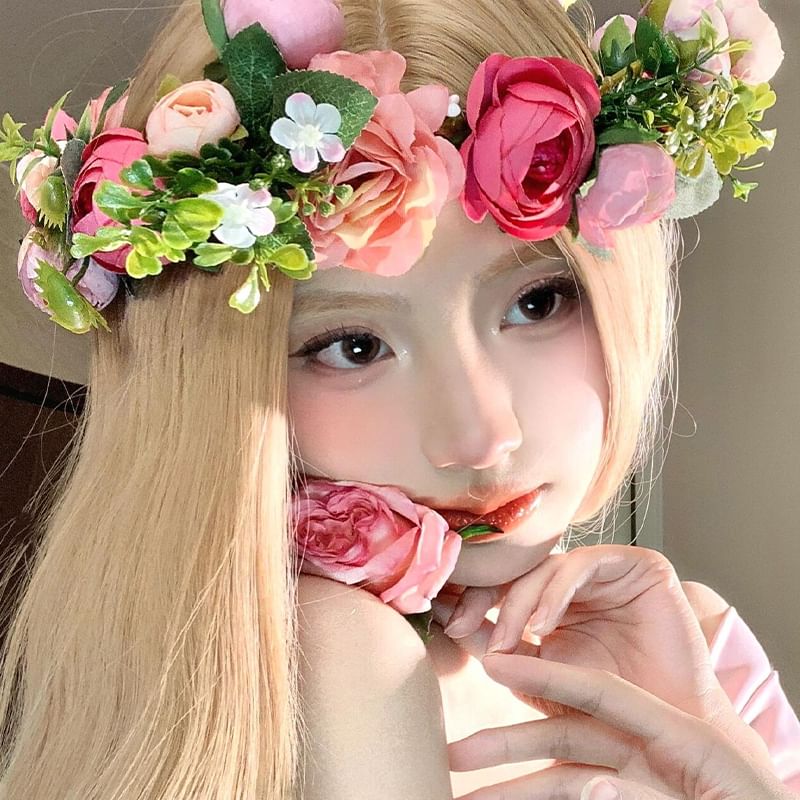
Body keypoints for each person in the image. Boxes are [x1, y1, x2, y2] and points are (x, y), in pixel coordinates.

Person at [0, 0, 796, 798]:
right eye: (353, 347)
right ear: (208, 383)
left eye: (539, 302)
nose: (481, 436)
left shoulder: (695, 649)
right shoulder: (343, 654)